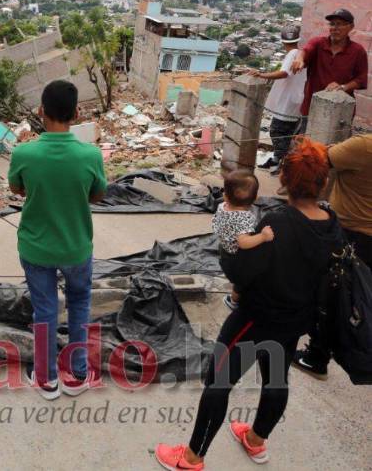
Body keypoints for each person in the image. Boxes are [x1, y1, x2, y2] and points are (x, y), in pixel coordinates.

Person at [155, 138, 345, 470]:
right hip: (296, 319)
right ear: (323, 182)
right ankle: (256, 441)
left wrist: (229, 252)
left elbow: (241, 270)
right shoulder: (332, 224)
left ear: (284, 181)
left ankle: (191, 457)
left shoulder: (276, 224)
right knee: (277, 377)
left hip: (255, 318)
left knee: (219, 382)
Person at [8, 80, 107, 400]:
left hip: (36, 248)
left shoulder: (24, 152)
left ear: (40, 112)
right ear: (77, 114)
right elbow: (98, 194)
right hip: (76, 247)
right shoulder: (90, 155)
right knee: (80, 305)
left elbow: (17, 189)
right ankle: (78, 374)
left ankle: (46, 377)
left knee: (45, 310)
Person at [293, 133, 372, 379]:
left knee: (331, 296)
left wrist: (308, 147)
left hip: (354, 232)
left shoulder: (364, 146)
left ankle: (317, 356)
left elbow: (320, 159)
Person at [291, 8, 368, 123]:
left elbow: (361, 79)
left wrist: (342, 87)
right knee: (307, 140)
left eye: (340, 24)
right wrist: (299, 58)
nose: (335, 28)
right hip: (311, 107)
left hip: (340, 110)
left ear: (351, 27)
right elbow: (306, 50)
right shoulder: (318, 43)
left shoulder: (358, 51)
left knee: (336, 141)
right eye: (332, 24)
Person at [212, 170, 274, 311]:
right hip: (236, 259)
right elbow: (243, 242)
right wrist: (263, 236)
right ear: (256, 197)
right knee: (241, 283)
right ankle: (233, 301)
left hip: (224, 248)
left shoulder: (223, 206)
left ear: (225, 196)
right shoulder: (243, 219)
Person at [249, 25, 306, 173]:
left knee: (276, 131)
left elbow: (284, 73)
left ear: (283, 41)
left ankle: (279, 162)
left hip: (287, 102)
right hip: (295, 100)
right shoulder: (301, 54)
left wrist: (262, 75)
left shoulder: (293, 53)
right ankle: (277, 160)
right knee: (286, 132)